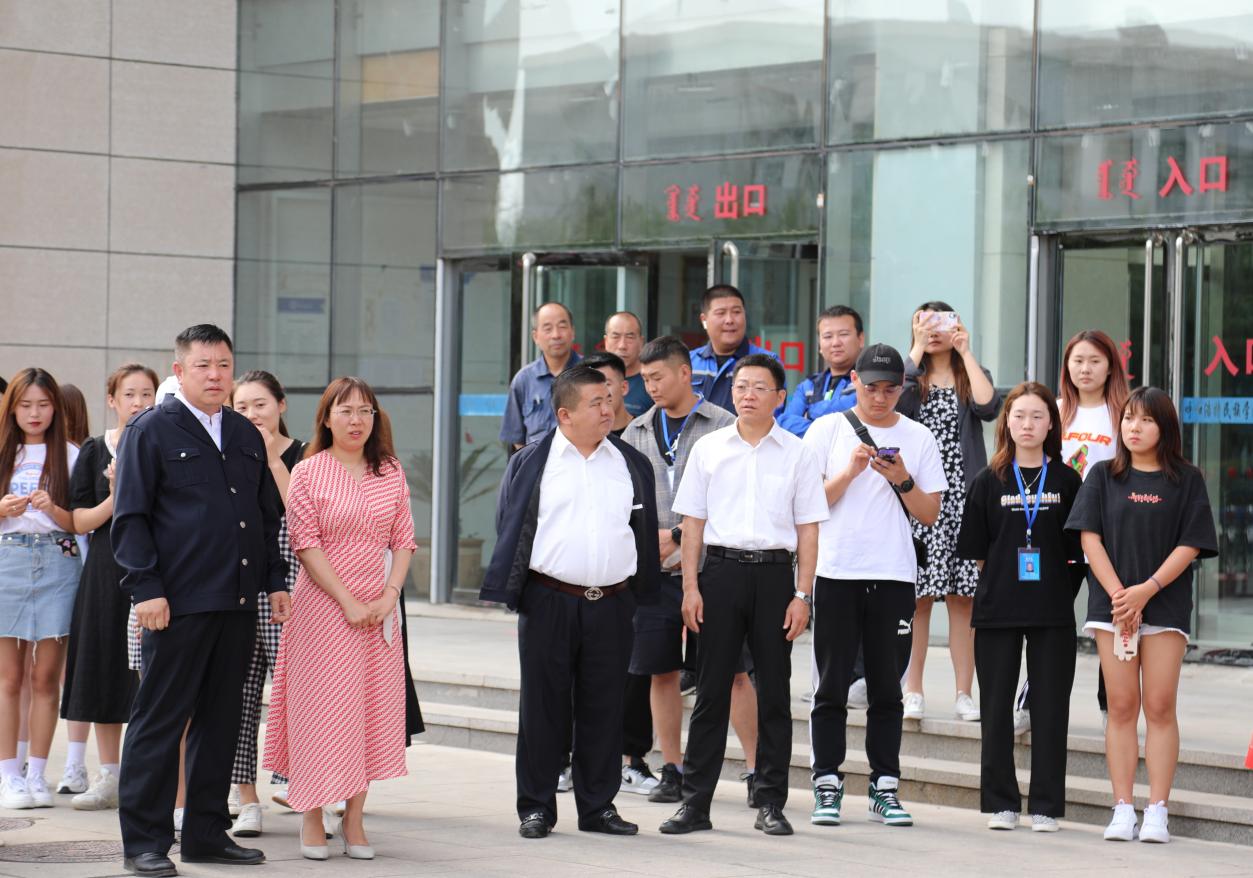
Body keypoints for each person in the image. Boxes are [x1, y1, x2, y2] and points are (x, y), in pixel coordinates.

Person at [112, 325, 290, 877]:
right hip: (176, 603)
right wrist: (146, 588)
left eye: (223, 365)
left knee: (222, 720)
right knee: (159, 721)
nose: (215, 375)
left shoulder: (242, 432)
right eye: (203, 365)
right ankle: (145, 842)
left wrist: (275, 580)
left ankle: (207, 835)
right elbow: (131, 517)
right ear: (180, 370)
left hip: (237, 601)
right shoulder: (150, 430)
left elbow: (265, 515)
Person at [480, 364, 661, 839]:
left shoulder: (629, 463)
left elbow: (640, 531)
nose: (607, 410)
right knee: (543, 708)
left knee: (604, 707)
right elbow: (509, 525)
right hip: (549, 599)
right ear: (564, 414)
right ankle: (536, 807)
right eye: (595, 403)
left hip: (613, 602)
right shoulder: (532, 462)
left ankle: (598, 806)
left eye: (609, 399)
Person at [660, 354, 827, 837]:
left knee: (774, 693)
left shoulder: (798, 453)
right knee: (711, 692)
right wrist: (690, 587)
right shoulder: (709, 449)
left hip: (775, 578)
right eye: (740, 386)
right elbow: (692, 524)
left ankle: (771, 802)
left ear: (780, 397)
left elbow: (809, 530)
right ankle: (695, 805)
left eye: (759, 387)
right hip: (720, 574)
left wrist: (803, 595)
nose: (747, 394)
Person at [262, 376, 416, 860]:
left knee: (367, 711)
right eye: (345, 411)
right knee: (319, 713)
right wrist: (347, 600)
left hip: (379, 610)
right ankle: (310, 812)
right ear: (326, 418)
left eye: (365, 411)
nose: (356, 420)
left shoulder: (390, 470)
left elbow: (404, 540)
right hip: (323, 610)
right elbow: (305, 543)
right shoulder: (309, 471)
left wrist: (389, 595)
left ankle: (354, 817)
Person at [1066, 386, 1217, 845]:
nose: (1134, 427)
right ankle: (1122, 808)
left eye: (1146, 420)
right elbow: (1089, 539)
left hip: (1164, 605)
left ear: (1164, 427)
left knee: (1160, 705)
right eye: (1129, 418)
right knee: (1121, 706)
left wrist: (1146, 591)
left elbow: (1191, 544)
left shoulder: (1186, 479)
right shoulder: (1103, 475)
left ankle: (1157, 810)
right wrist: (1121, 597)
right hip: (1113, 608)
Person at [802, 344, 945, 829]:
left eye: (890, 389)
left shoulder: (919, 437)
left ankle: (885, 786)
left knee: (888, 688)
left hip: (893, 574)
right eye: (871, 388)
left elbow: (930, 513)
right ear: (853, 382)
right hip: (836, 571)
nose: (880, 398)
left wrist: (902, 479)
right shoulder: (826, 429)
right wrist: (850, 473)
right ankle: (827, 781)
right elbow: (807, 505)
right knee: (830, 685)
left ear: (903, 388)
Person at [622, 336, 761, 806]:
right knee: (661, 671)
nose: (651, 386)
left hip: (714, 568)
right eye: (645, 379)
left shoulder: (725, 425)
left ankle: (756, 771)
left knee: (734, 673)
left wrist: (680, 535)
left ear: (685, 373)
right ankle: (673, 768)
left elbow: (739, 497)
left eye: (658, 377)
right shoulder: (637, 430)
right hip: (655, 574)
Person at [956, 382, 1085, 833]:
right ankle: (1002, 803)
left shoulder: (1068, 481)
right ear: (1006, 423)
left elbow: (1079, 552)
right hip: (998, 610)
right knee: (995, 710)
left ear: (1051, 424)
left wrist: (1058, 590)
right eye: (1019, 416)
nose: (1027, 424)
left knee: (1050, 710)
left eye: (1037, 416)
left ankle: (1046, 806)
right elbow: (977, 551)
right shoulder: (987, 480)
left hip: (1053, 611)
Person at [1015, 330, 1129, 733]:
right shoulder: (1056, 411)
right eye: (1078, 360)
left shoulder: (1122, 414)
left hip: (1109, 535)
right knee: (1048, 617)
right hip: (1057, 530)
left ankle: (1111, 706)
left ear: (1110, 367)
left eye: (1095, 361)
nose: (1085, 369)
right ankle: (1031, 699)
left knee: (1110, 619)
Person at [60, 365, 159, 813]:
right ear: (112, 400)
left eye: (146, 393)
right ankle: (110, 775)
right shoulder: (95, 449)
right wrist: (116, 496)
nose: (138, 402)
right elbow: (78, 520)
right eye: (130, 394)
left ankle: (149, 776)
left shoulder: (163, 443)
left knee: (150, 673)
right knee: (104, 665)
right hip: (106, 568)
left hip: (155, 568)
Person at [898, 302, 1001, 722]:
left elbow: (989, 407)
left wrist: (966, 352)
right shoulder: (909, 375)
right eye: (924, 322)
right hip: (921, 497)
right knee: (918, 599)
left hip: (963, 498)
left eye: (942, 321)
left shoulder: (968, 373)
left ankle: (963, 693)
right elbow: (894, 404)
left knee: (963, 600)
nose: (934, 330)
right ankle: (913, 690)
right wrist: (917, 350)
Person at [225, 371, 305, 837]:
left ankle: (307, 785)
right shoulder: (230, 454)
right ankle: (246, 797)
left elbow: (305, 516)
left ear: (281, 404)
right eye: (242, 407)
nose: (252, 414)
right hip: (241, 581)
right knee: (239, 693)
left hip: (292, 584)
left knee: (296, 689)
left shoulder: (306, 455)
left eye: (260, 404)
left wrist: (273, 459)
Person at [0, 369, 81, 811]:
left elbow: (79, 523)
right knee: (9, 678)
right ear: (12, 408)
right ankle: (8, 774)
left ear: (56, 408)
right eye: (26, 404)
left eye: (44, 404)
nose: (35, 413)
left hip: (58, 562)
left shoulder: (70, 454)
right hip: (7, 561)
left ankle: (37, 773)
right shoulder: (2, 451)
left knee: (46, 677)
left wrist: (55, 510)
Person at [500, 302, 581, 449]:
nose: (556, 335)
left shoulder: (590, 374)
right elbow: (517, 438)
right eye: (548, 329)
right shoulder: (524, 380)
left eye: (562, 326)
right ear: (536, 336)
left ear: (573, 332)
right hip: (537, 462)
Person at [689, 285, 780, 414]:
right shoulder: (689, 362)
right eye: (721, 313)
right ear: (704, 320)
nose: (729, 320)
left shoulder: (767, 362)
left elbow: (774, 413)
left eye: (736, 312)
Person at [779, 305, 864, 438]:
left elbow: (859, 408)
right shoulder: (808, 386)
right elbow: (785, 423)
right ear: (819, 344)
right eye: (828, 336)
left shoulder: (869, 382)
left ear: (861, 339)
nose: (835, 343)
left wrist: (810, 412)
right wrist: (827, 433)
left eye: (843, 334)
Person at [604, 312, 652, 418]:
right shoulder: (594, 379)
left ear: (641, 342)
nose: (622, 346)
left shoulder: (652, 383)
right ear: (606, 341)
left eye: (630, 337)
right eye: (615, 337)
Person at [583, 352, 635, 436]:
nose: (598, 393)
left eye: (606, 384)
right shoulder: (582, 436)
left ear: (624, 387)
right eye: (591, 386)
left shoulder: (646, 431)